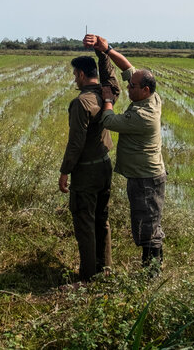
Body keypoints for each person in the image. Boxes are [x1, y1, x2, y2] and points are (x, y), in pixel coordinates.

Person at [83, 34, 166, 269]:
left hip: (146, 179)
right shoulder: (152, 98)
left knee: (148, 228)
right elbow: (128, 67)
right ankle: (151, 269)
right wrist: (107, 49)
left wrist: (108, 99)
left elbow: (108, 121)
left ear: (145, 89)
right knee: (145, 223)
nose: (127, 88)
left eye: (132, 86)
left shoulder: (142, 116)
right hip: (142, 176)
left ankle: (152, 273)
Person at [58, 55, 113, 281]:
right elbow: (112, 81)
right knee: (102, 218)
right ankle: (105, 268)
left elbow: (76, 143)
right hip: (104, 166)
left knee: (84, 223)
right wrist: (104, 54)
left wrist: (65, 171)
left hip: (87, 173)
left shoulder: (81, 103)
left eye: (74, 75)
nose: (74, 80)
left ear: (81, 74)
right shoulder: (106, 94)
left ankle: (88, 277)